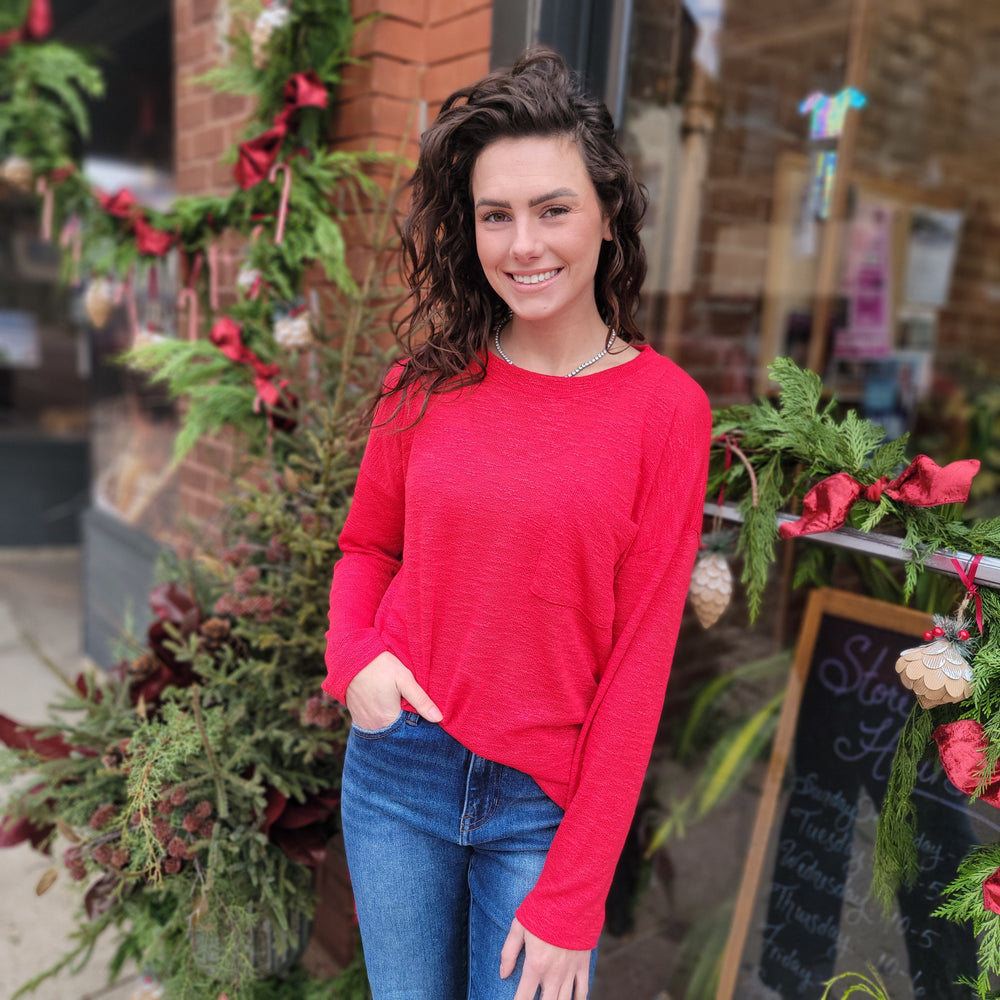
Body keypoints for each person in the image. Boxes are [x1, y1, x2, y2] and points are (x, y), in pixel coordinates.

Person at [323, 46, 711, 1000]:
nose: (523, 245)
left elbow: (639, 661)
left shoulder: (667, 410)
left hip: (543, 806)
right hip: (398, 772)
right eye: (496, 215)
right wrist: (353, 660)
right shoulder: (424, 383)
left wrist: (576, 896)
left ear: (608, 214)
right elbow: (368, 546)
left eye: (553, 209)